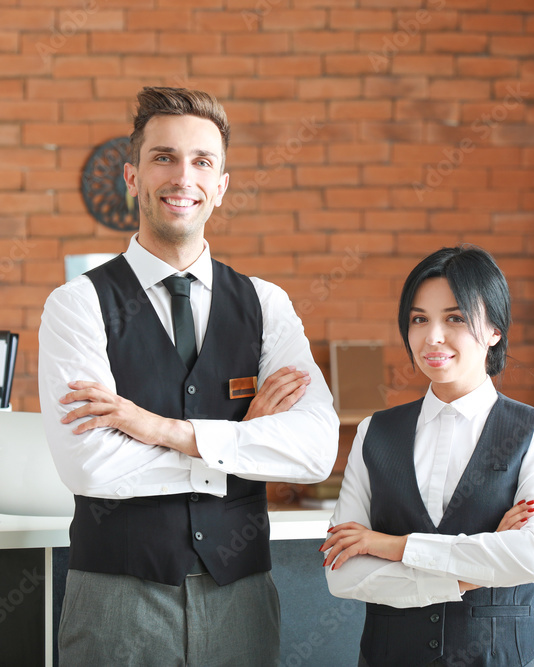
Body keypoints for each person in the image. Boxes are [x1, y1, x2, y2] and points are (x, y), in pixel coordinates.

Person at [38, 86, 339, 665]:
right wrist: (241, 440)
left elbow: (315, 452)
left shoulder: (265, 304)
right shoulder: (78, 305)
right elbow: (90, 465)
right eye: (164, 158)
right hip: (117, 602)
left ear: (221, 186)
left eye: (202, 162)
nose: (183, 177)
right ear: (132, 177)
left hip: (241, 600)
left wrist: (161, 430)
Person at [322, 246, 534, 667]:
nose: (433, 337)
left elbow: (531, 556)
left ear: (495, 329)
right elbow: (342, 573)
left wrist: (394, 546)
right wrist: (468, 576)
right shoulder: (374, 432)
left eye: (455, 318)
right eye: (419, 319)